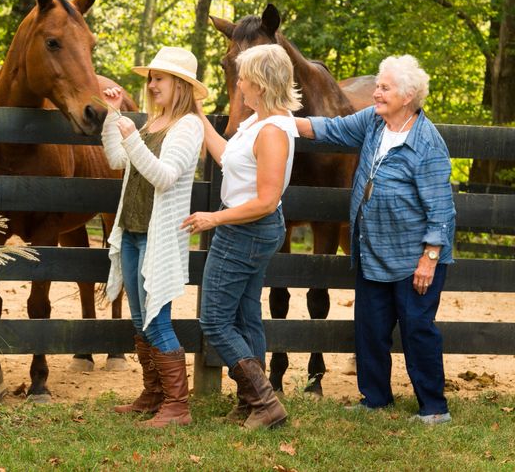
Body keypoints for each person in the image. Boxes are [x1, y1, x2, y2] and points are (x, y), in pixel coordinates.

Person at [293, 54, 456, 425]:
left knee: (417, 331)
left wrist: (429, 257)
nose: (376, 93)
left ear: (408, 95)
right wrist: (282, 121)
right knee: (371, 329)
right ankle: (375, 398)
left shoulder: (427, 142)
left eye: (384, 88)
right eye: (377, 86)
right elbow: (329, 129)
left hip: (414, 257)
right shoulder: (372, 123)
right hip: (373, 251)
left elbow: (441, 209)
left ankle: (434, 407)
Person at [182, 43, 301, 430]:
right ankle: (253, 402)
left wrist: (214, 218)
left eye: (244, 77)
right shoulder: (256, 123)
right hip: (248, 229)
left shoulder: (272, 132)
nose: (240, 84)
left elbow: (266, 200)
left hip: (247, 230)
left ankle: (264, 401)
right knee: (247, 317)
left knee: (214, 320)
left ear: (262, 84)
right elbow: (225, 156)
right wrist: (196, 113)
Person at [100, 46, 206, 428]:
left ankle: (178, 406)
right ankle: (153, 395)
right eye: (150, 78)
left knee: (157, 320)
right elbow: (117, 159)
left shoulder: (189, 126)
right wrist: (115, 118)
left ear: (179, 84)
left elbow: (164, 176)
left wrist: (132, 138)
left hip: (157, 239)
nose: (151, 84)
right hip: (130, 231)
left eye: (159, 78)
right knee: (140, 319)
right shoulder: (153, 122)